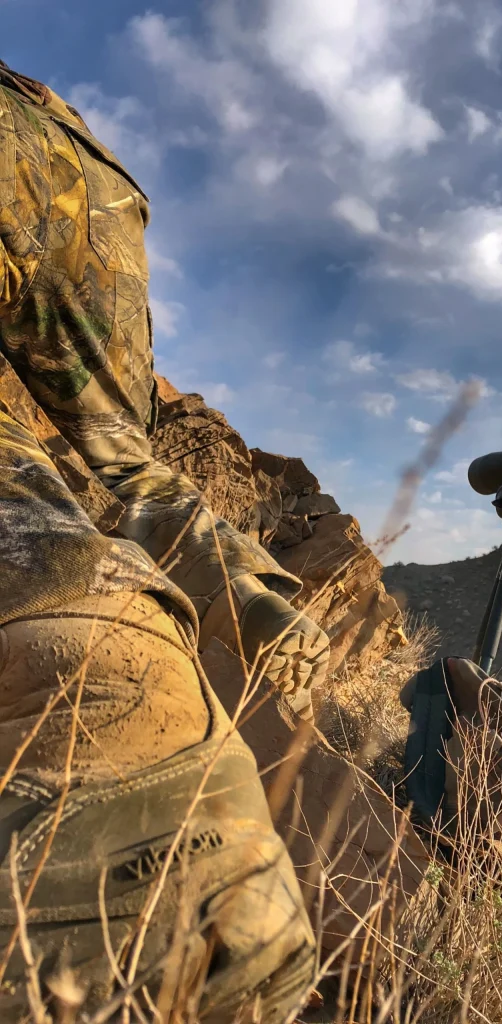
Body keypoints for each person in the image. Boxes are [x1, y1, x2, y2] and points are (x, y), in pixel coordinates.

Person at [0, 58, 331, 1018]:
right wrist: (242, 587)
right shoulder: (48, 150)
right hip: (76, 176)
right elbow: (114, 448)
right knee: (103, 470)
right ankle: (93, 640)